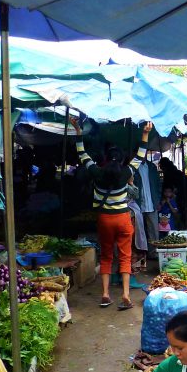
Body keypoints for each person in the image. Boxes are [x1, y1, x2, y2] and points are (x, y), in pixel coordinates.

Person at [73, 118, 153, 309]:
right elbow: (140, 156)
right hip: (123, 219)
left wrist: (78, 130)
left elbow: (81, 153)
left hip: (104, 220)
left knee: (106, 256)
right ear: (122, 158)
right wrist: (145, 134)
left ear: (107, 158)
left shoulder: (96, 172)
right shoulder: (126, 172)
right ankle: (125, 295)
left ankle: (105, 294)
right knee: (125, 256)